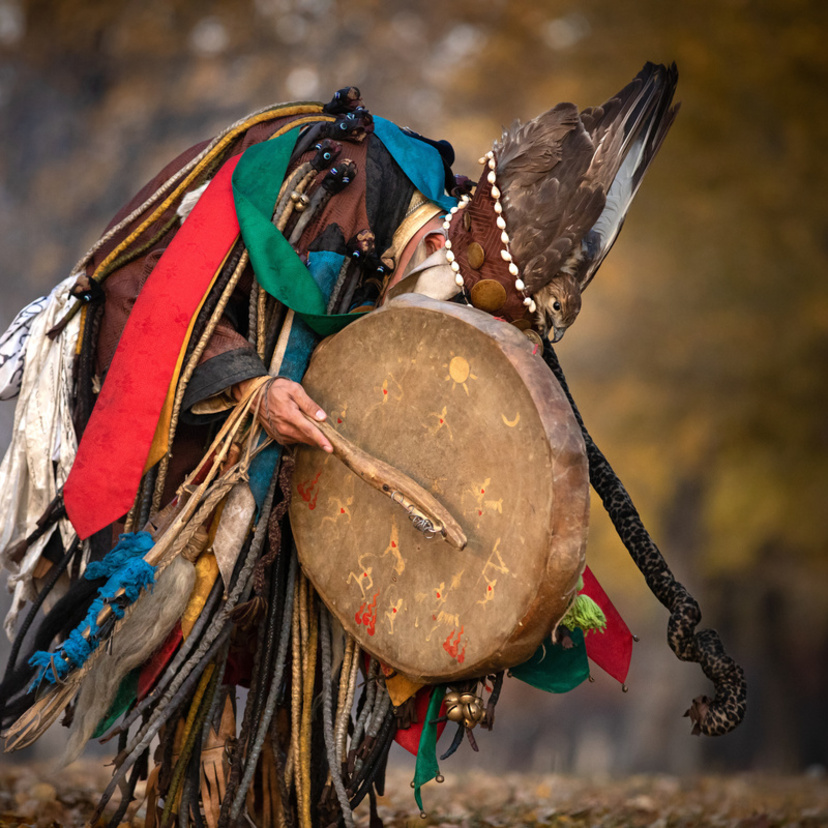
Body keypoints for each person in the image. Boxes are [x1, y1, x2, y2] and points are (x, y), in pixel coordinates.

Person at [0, 65, 745, 828]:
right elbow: (137, 276)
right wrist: (250, 383)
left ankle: (291, 797)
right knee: (202, 623)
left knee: (322, 630)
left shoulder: (449, 232)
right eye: (450, 304)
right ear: (442, 247)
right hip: (185, 416)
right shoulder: (317, 173)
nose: (440, 328)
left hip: (306, 457)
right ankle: (193, 791)